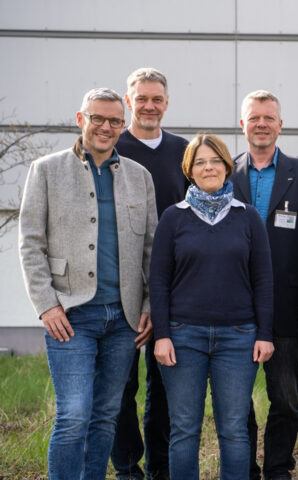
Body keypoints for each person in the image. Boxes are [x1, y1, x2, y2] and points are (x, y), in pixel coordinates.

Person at [18, 87, 156, 480]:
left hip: (125, 319)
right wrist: (45, 303)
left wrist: (148, 306)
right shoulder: (46, 170)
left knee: (106, 416)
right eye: (98, 118)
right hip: (71, 314)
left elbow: (151, 249)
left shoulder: (138, 177)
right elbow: (30, 242)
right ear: (81, 119)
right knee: (74, 414)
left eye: (115, 120)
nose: (106, 127)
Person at [151, 133, 274, 479]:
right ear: (190, 170)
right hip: (182, 337)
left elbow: (264, 280)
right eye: (200, 162)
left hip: (239, 338)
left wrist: (264, 333)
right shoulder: (173, 218)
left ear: (227, 166)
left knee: (234, 429)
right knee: (184, 429)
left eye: (215, 160)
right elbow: (158, 281)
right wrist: (162, 335)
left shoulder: (247, 217)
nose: (209, 168)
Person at [231, 90, 298, 480]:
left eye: (269, 118)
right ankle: (246, 468)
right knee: (236, 401)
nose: (262, 124)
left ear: (281, 125)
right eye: (254, 118)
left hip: (287, 307)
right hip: (234, 307)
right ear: (243, 124)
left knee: (285, 397)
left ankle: (279, 467)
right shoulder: (226, 172)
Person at [112, 66, 188, 480]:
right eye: (141, 98)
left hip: (174, 286)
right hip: (120, 284)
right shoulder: (113, 148)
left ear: (167, 102)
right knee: (122, 385)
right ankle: (127, 467)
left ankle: (162, 468)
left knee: (165, 386)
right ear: (129, 101)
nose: (149, 105)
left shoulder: (184, 151)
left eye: (157, 98)